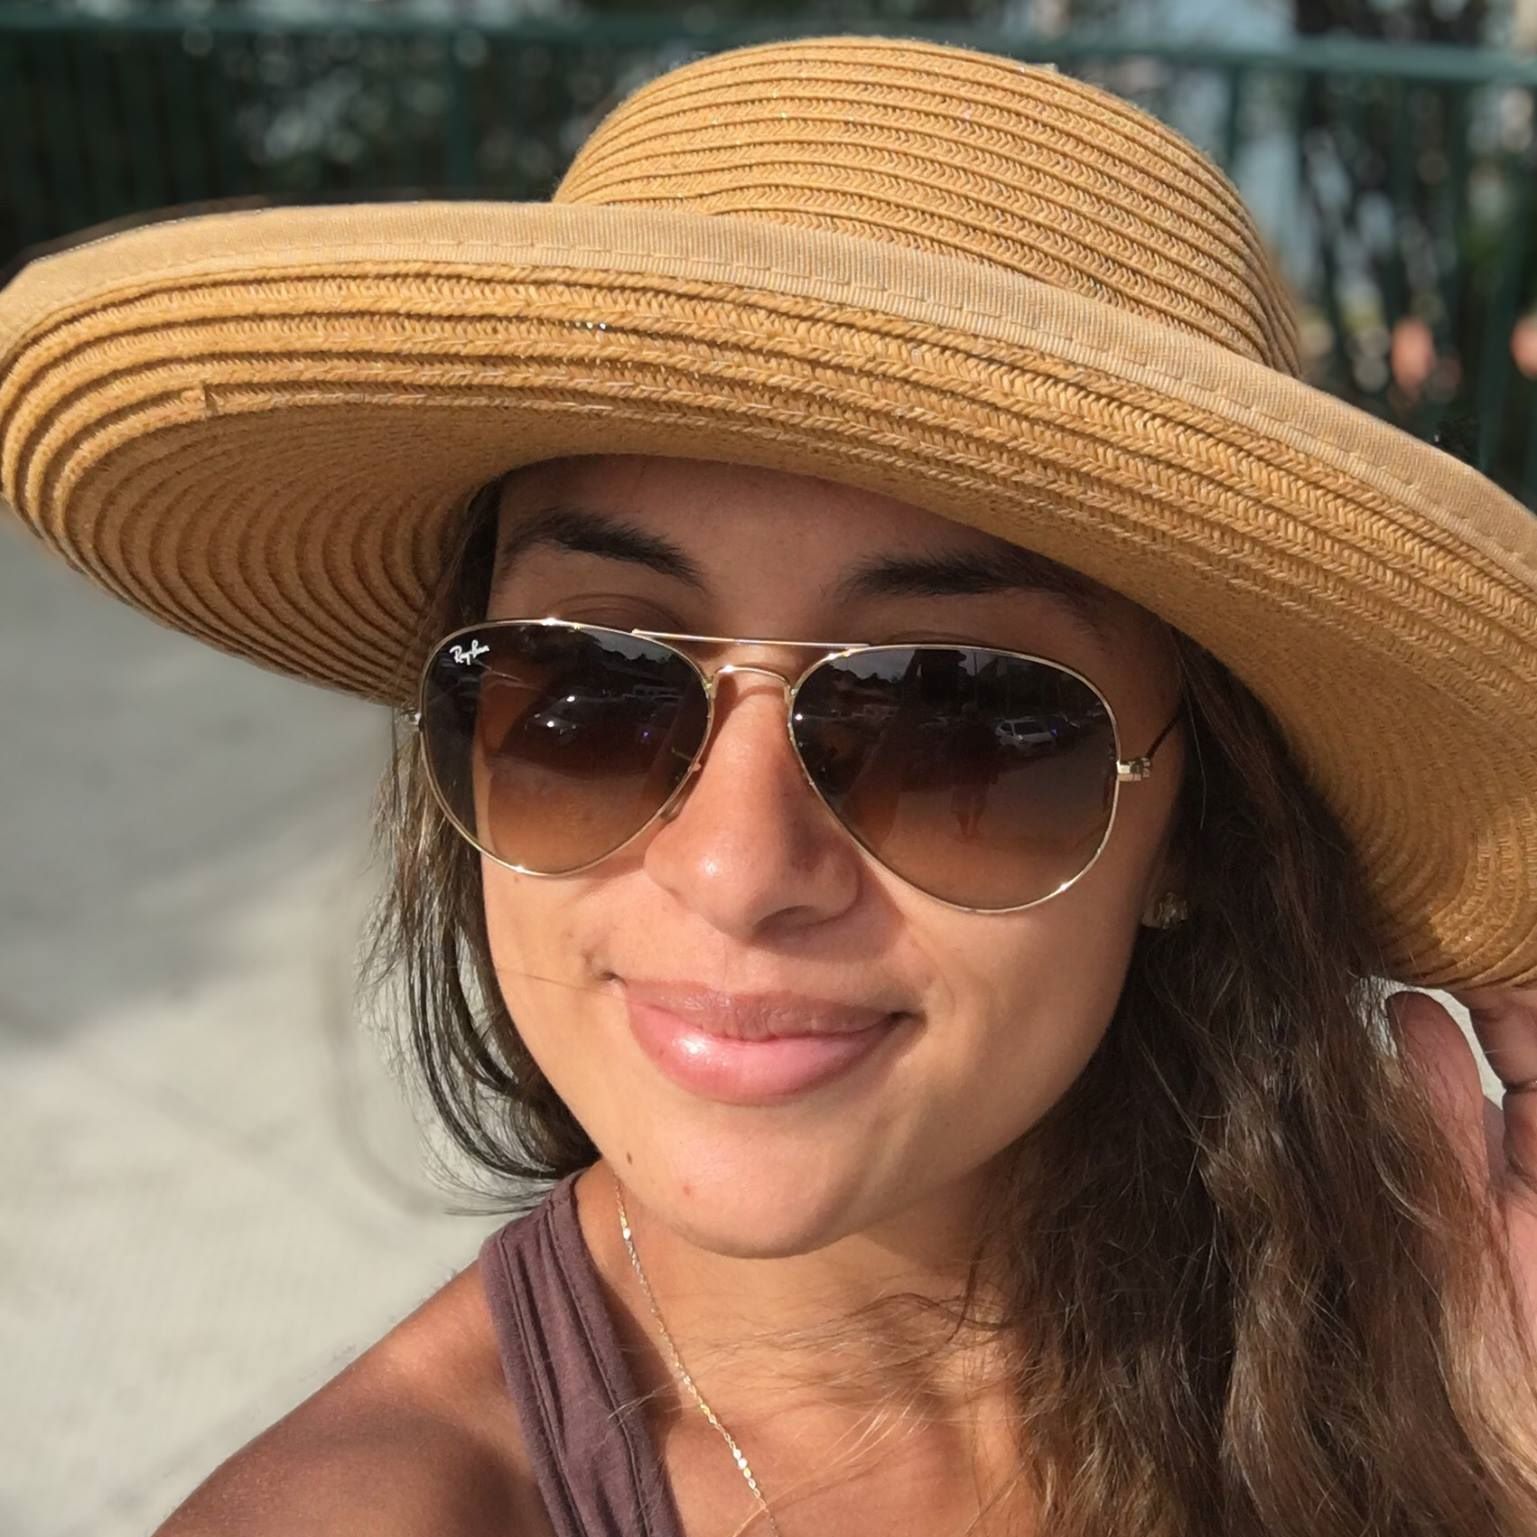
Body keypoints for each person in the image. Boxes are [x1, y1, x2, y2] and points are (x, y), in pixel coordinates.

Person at [2, 32, 1535, 1537]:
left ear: (1194, 821)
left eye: (956, 717)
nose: (735, 868)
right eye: (588, 688)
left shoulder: (1431, 1355)